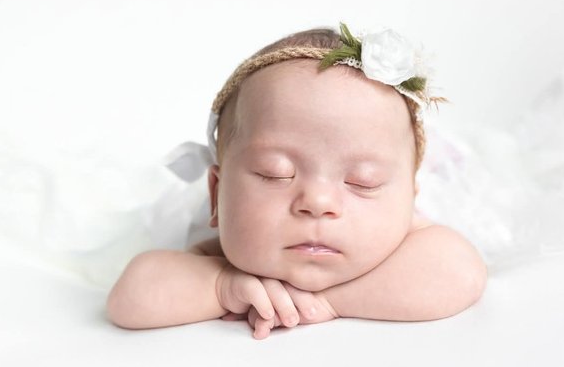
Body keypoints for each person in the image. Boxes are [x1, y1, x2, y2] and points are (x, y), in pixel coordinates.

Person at [106, 24, 487, 339]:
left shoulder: (411, 240)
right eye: (275, 173)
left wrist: (328, 301)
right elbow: (131, 298)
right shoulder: (222, 254)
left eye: (363, 182)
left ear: (409, 201)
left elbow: (459, 271)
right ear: (217, 194)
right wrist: (221, 286)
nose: (318, 202)